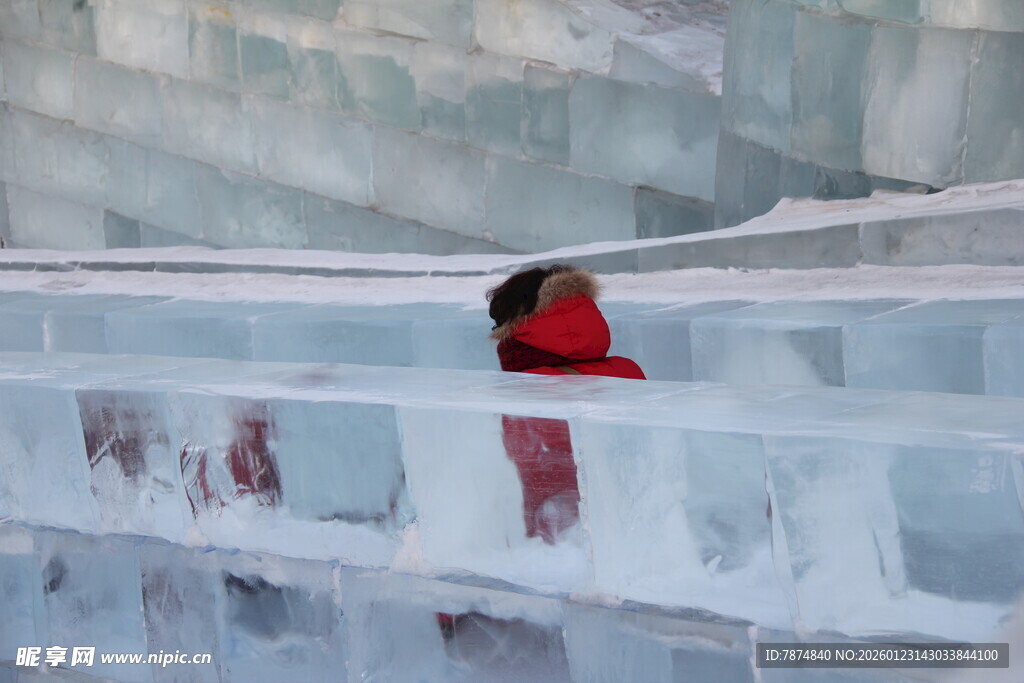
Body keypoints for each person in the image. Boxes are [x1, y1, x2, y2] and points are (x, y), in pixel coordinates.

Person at [487, 264, 646, 543]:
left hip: (562, 543)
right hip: (637, 529)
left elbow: (521, 476)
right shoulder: (628, 371)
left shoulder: (527, 389)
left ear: (514, 327)